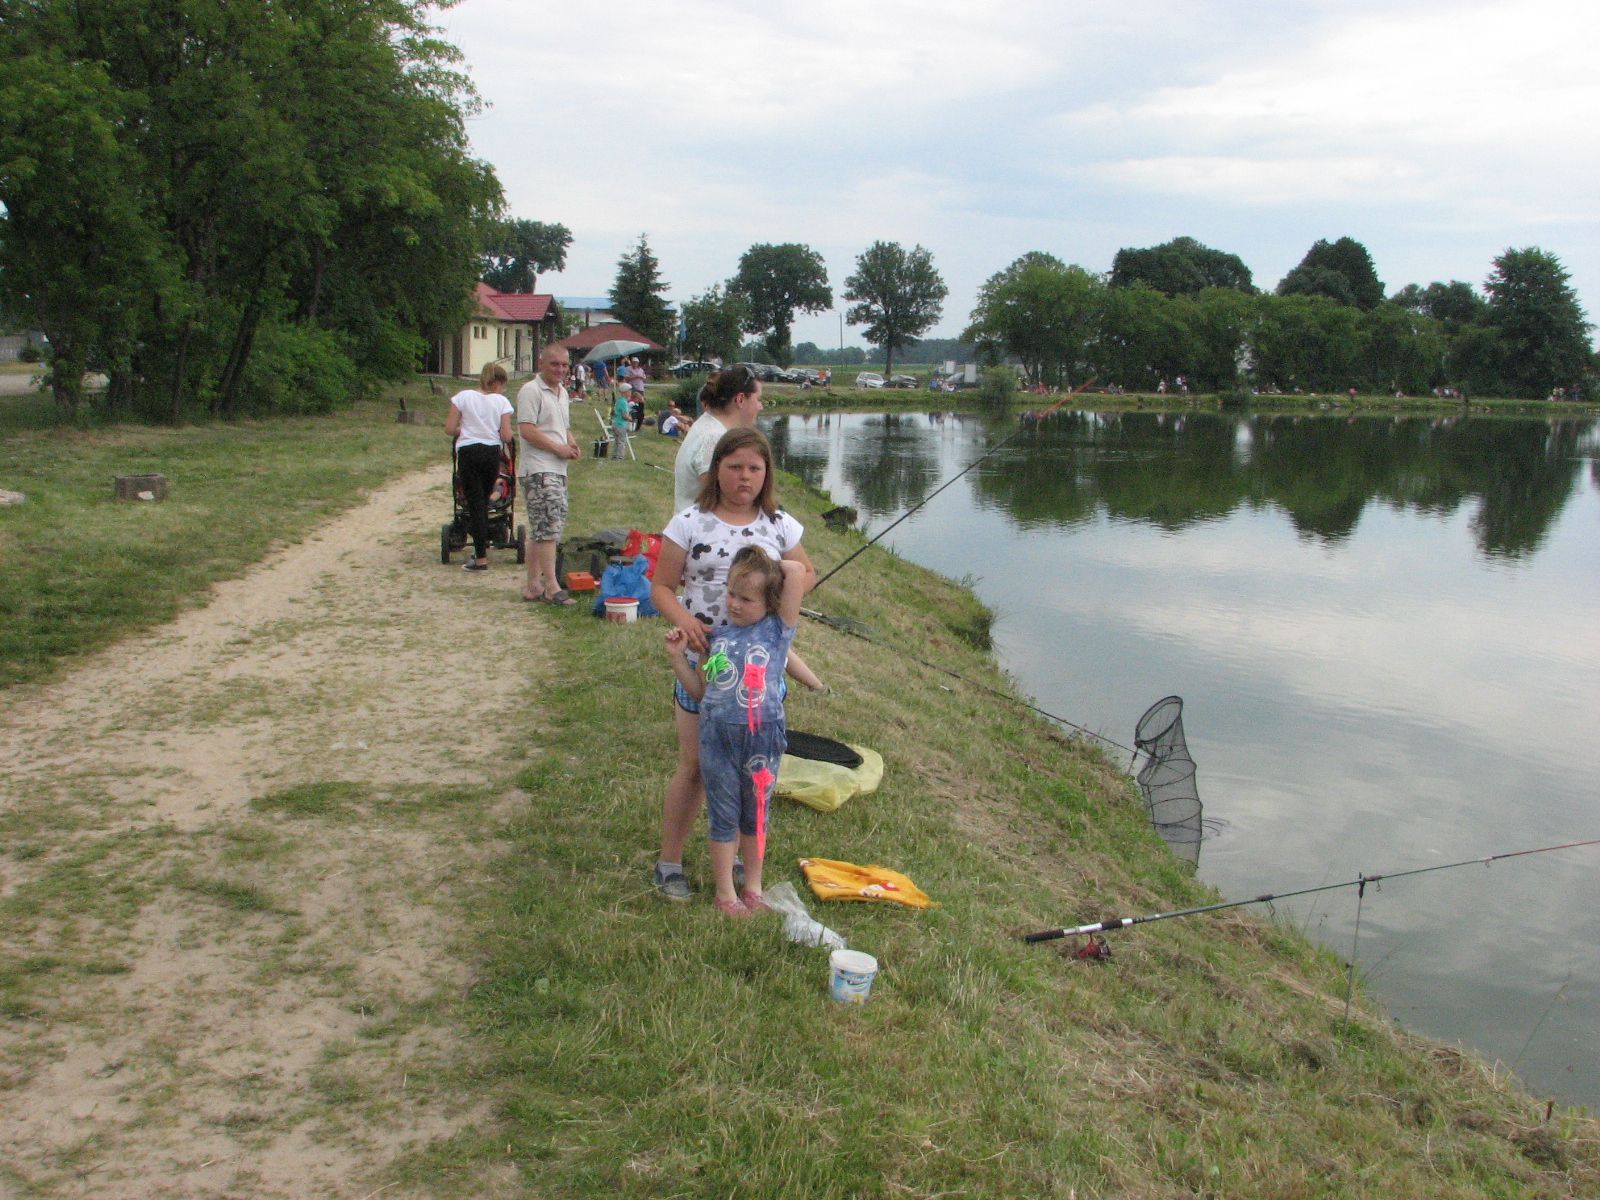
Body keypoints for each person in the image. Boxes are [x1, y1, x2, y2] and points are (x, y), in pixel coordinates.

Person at [650, 427, 817, 901]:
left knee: (754, 770)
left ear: (766, 475)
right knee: (696, 767)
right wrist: (688, 624)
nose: (744, 477)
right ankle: (669, 864)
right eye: (735, 466)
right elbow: (661, 587)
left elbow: (806, 573)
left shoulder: (780, 524)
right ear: (716, 470)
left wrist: (783, 602)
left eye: (754, 468)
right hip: (705, 668)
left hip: (760, 675)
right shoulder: (688, 522)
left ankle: (745, 866)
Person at [664, 546, 806, 915]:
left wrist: (766, 566)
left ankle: (754, 888)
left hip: (763, 738)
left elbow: (796, 571)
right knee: (724, 814)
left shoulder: (778, 632)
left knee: (755, 814)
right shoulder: (717, 640)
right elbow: (700, 691)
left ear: (770, 601)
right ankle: (726, 893)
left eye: (746, 597)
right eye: (731, 593)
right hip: (717, 739)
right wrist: (678, 658)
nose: (735, 603)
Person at [516, 344, 582, 604]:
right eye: (555, 364)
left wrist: (572, 444)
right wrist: (558, 449)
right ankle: (552, 587)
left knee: (540, 528)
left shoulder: (562, 392)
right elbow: (527, 430)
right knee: (549, 530)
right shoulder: (531, 391)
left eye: (565, 365)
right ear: (541, 363)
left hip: (557, 468)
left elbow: (562, 427)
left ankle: (533, 585)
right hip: (539, 468)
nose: (560, 369)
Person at [443, 363, 514, 572]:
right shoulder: (501, 402)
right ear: (498, 383)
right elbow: (506, 435)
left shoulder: (463, 397)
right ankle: (482, 552)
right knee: (483, 500)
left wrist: (464, 429)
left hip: (468, 451)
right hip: (490, 452)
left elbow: (449, 428)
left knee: (474, 502)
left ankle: (480, 556)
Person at [610, 386, 632, 460]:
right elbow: (624, 415)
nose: (630, 392)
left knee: (617, 441)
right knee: (621, 441)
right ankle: (619, 457)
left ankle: (615, 455)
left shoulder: (619, 400)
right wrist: (630, 418)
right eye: (629, 391)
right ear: (625, 392)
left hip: (615, 423)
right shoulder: (624, 402)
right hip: (621, 424)